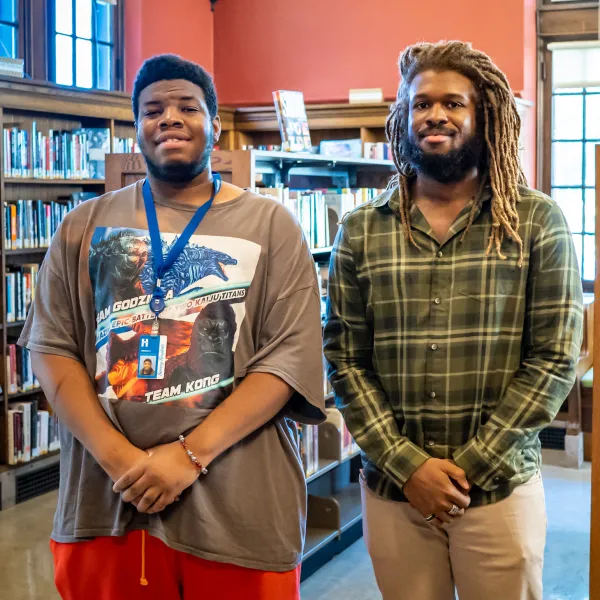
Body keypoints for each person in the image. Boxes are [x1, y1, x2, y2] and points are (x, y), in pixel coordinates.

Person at [19, 54, 325, 600]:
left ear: (215, 124)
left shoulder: (272, 223)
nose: (170, 118)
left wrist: (188, 457)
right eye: (153, 109)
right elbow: (52, 350)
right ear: (136, 127)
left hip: (239, 509)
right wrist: (122, 462)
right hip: (107, 502)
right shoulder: (82, 225)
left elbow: (287, 360)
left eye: (188, 106)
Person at [323, 41, 583, 600]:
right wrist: (407, 466)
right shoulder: (362, 229)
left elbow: (554, 359)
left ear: (483, 114)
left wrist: (466, 468)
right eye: (421, 104)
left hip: (498, 490)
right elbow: (345, 357)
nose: (435, 115)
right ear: (403, 117)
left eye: (453, 103)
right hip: (394, 493)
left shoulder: (537, 222)